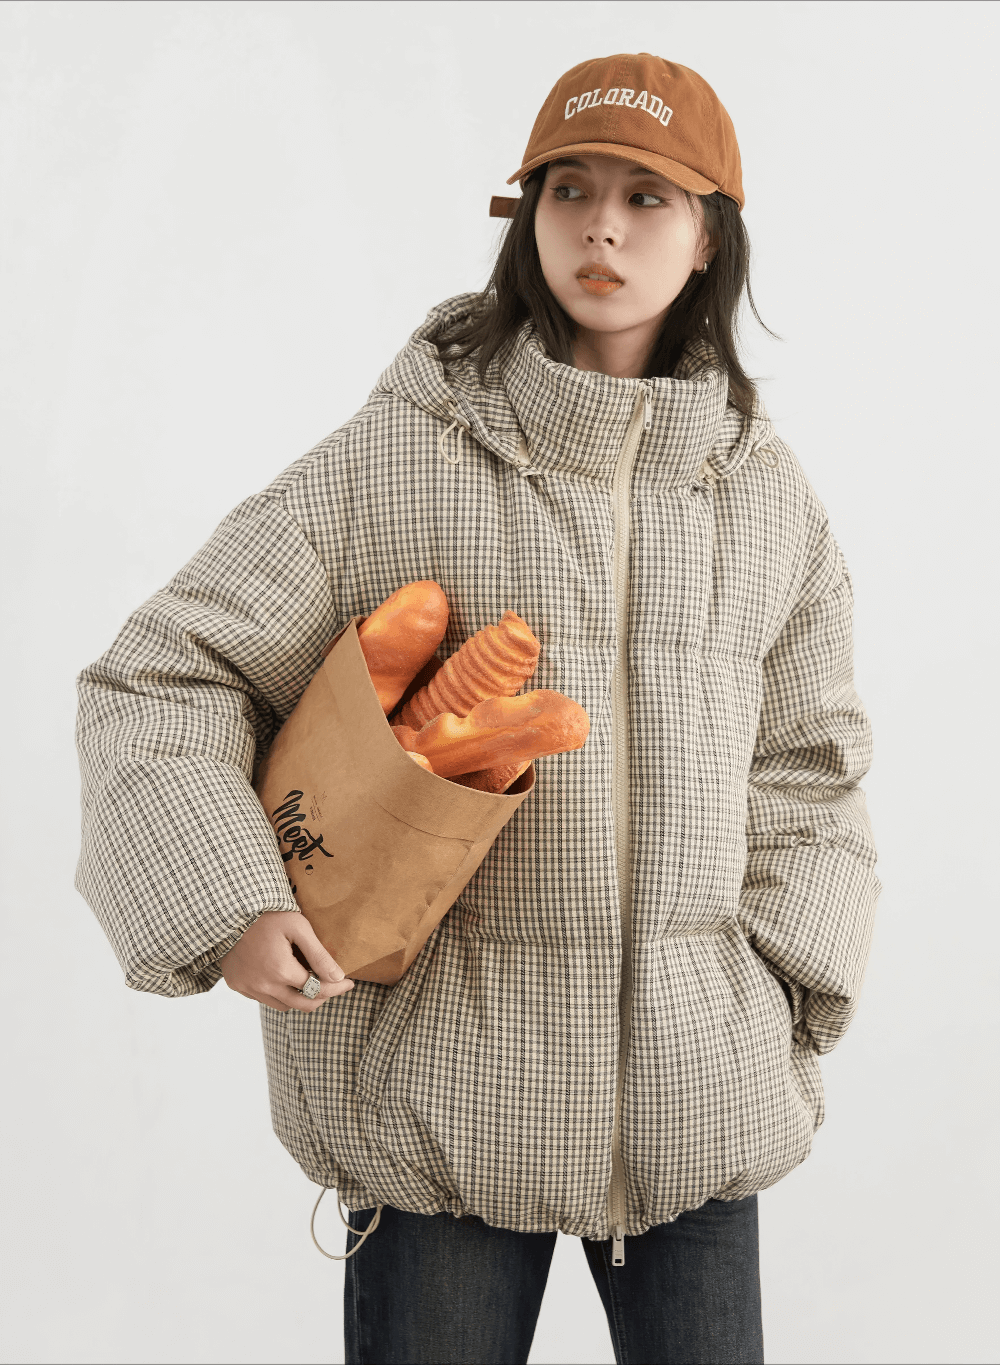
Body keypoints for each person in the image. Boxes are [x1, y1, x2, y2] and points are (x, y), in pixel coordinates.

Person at [75, 52, 879, 1365]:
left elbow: (813, 763)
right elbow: (163, 674)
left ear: (710, 235)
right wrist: (229, 903)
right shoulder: (401, 455)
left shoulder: (764, 500)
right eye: (569, 190)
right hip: (435, 1101)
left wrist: (783, 987)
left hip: (692, 1106)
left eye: (646, 197)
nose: (603, 227)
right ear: (527, 220)